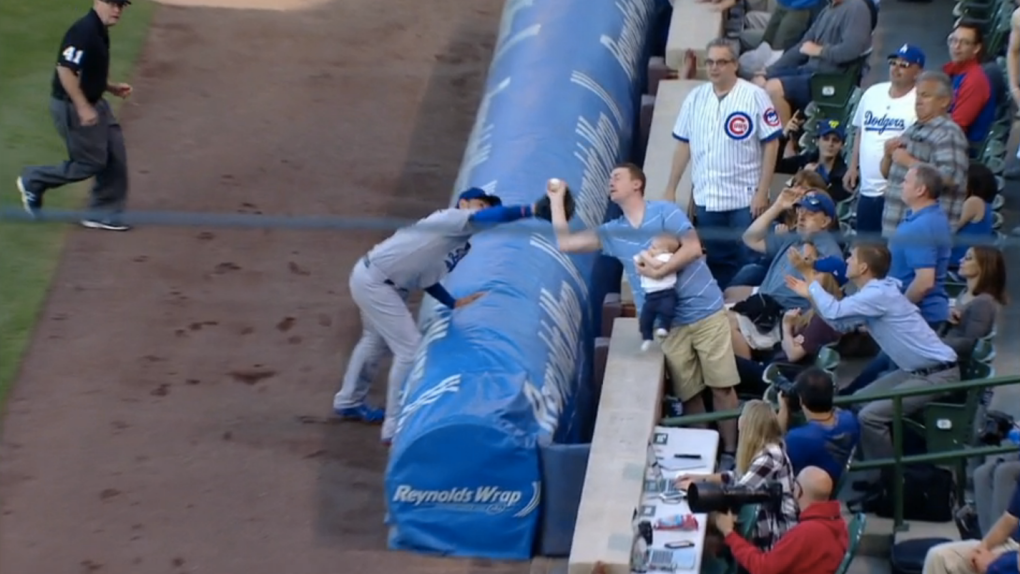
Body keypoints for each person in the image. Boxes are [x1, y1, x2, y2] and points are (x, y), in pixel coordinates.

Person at [549, 164, 741, 461]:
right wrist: (555, 200)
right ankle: (707, 455)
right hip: (670, 324)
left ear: (637, 184)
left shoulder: (665, 212)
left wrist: (659, 270)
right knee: (689, 395)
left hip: (705, 311)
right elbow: (566, 243)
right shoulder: (614, 232)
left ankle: (730, 452)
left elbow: (692, 248)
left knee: (722, 387)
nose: (610, 182)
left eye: (617, 178)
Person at [332, 188, 541, 443]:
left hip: (382, 283)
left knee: (373, 341)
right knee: (410, 350)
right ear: (463, 203)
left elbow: (426, 278)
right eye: (480, 204)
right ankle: (393, 427)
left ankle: (348, 401)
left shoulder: (459, 243)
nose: (484, 211)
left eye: (488, 207)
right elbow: (486, 218)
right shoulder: (450, 219)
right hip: (376, 282)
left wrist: (452, 302)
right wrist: (529, 210)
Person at [785, 243, 960, 492]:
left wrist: (809, 277)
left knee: (870, 416)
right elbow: (841, 324)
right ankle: (878, 471)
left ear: (863, 267)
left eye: (852, 257)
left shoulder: (877, 295)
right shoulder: (874, 292)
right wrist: (812, 293)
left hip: (939, 373)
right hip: (916, 370)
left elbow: (834, 312)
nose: (847, 260)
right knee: (858, 401)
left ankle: (888, 484)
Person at [665, 38, 781, 289]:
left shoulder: (755, 96)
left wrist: (763, 191)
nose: (714, 67)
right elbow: (684, 144)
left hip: (746, 198)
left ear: (735, 65)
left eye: (721, 62)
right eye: (710, 62)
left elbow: (771, 143)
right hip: (709, 198)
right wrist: (671, 187)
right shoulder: (695, 98)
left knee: (751, 259)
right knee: (718, 262)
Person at [17, 0, 135, 231]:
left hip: (94, 101)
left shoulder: (100, 30)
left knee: (115, 151)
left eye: (122, 5)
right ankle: (34, 180)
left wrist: (110, 87)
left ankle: (102, 212)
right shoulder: (84, 30)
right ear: (98, 1)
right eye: (113, 3)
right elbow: (65, 69)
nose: (118, 10)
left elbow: (89, 69)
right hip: (71, 105)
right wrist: (82, 107)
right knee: (90, 162)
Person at [678, 400, 799, 550]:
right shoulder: (761, 450)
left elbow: (737, 494)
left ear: (744, 423)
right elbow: (735, 476)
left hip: (775, 537)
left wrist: (695, 489)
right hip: (759, 518)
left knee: (702, 527)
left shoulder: (770, 457)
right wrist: (699, 478)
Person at [731, 245, 844, 378]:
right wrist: (790, 336)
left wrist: (786, 328)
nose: (808, 275)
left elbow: (793, 354)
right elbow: (789, 346)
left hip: (776, 374)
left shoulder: (823, 318)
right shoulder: (818, 310)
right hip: (773, 362)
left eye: (816, 273)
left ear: (831, 281)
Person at [752, 0, 873, 125]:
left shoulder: (857, 8)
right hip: (809, 71)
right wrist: (769, 70)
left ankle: (785, 140)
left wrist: (819, 50)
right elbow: (802, 48)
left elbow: (851, 50)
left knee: (773, 88)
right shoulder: (827, 9)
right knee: (758, 81)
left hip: (830, 79)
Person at [845, 44, 923, 235]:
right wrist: (852, 166)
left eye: (904, 65)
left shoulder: (919, 102)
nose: (896, 69)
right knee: (865, 245)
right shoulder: (873, 93)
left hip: (895, 192)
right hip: (867, 189)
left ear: (918, 72)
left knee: (887, 250)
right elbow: (860, 130)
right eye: (893, 63)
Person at [880, 71, 970, 238]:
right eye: (917, 95)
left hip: (923, 237)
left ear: (944, 101)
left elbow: (951, 179)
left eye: (925, 95)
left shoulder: (948, 133)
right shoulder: (914, 128)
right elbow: (888, 175)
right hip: (897, 230)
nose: (918, 101)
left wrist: (909, 161)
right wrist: (887, 155)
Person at [717, 466, 848, 574]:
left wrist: (729, 533)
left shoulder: (806, 532)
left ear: (798, 491)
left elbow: (763, 569)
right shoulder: (839, 523)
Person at [728, 188, 842, 310]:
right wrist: (778, 206)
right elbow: (749, 238)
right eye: (800, 210)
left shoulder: (830, 254)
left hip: (782, 314)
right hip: (762, 301)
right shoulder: (794, 237)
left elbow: (826, 300)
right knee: (727, 294)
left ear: (825, 221)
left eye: (810, 213)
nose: (801, 217)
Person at [729, 169, 829, 291]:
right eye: (795, 185)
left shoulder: (820, 230)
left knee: (749, 273)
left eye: (803, 188)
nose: (796, 191)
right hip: (768, 268)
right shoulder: (784, 213)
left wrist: (784, 244)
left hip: (789, 285)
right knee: (744, 274)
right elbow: (749, 237)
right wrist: (779, 205)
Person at [923, 473, 1020, 573]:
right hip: (1013, 546)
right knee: (938, 556)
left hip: (1014, 560)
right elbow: (1010, 518)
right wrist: (981, 549)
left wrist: (998, 563)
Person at [780, 367, 861, 484]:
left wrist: (784, 410)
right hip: (837, 480)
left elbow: (776, 455)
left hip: (809, 490)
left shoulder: (798, 438)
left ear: (801, 400)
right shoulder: (850, 419)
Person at [942, 245, 1008, 361]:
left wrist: (933, 344)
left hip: (951, 359)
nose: (960, 260)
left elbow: (969, 343)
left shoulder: (983, 303)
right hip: (944, 350)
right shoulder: (966, 292)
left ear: (983, 266)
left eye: (968, 258)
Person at [943, 20, 995, 146]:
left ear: (976, 48)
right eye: (954, 40)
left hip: (961, 147)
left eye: (964, 42)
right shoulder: (949, 70)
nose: (956, 47)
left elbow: (957, 126)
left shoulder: (975, 80)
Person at [776, 120, 851, 203]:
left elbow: (831, 203)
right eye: (826, 139)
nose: (830, 144)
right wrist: (783, 138)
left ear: (841, 146)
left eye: (835, 140)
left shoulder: (844, 176)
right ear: (817, 141)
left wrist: (807, 177)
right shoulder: (806, 160)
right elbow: (776, 166)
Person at [634, 234, 680, 350]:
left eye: (654, 248)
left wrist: (645, 255)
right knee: (646, 317)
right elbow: (639, 270)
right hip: (650, 295)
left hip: (666, 293)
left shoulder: (667, 257)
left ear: (664, 251)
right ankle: (647, 337)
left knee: (667, 311)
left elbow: (656, 265)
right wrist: (639, 261)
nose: (650, 249)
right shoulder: (652, 258)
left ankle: (664, 327)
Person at [950, 164, 998, 269]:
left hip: (960, 260)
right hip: (970, 258)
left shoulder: (974, 202)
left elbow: (952, 227)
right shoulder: (985, 204)